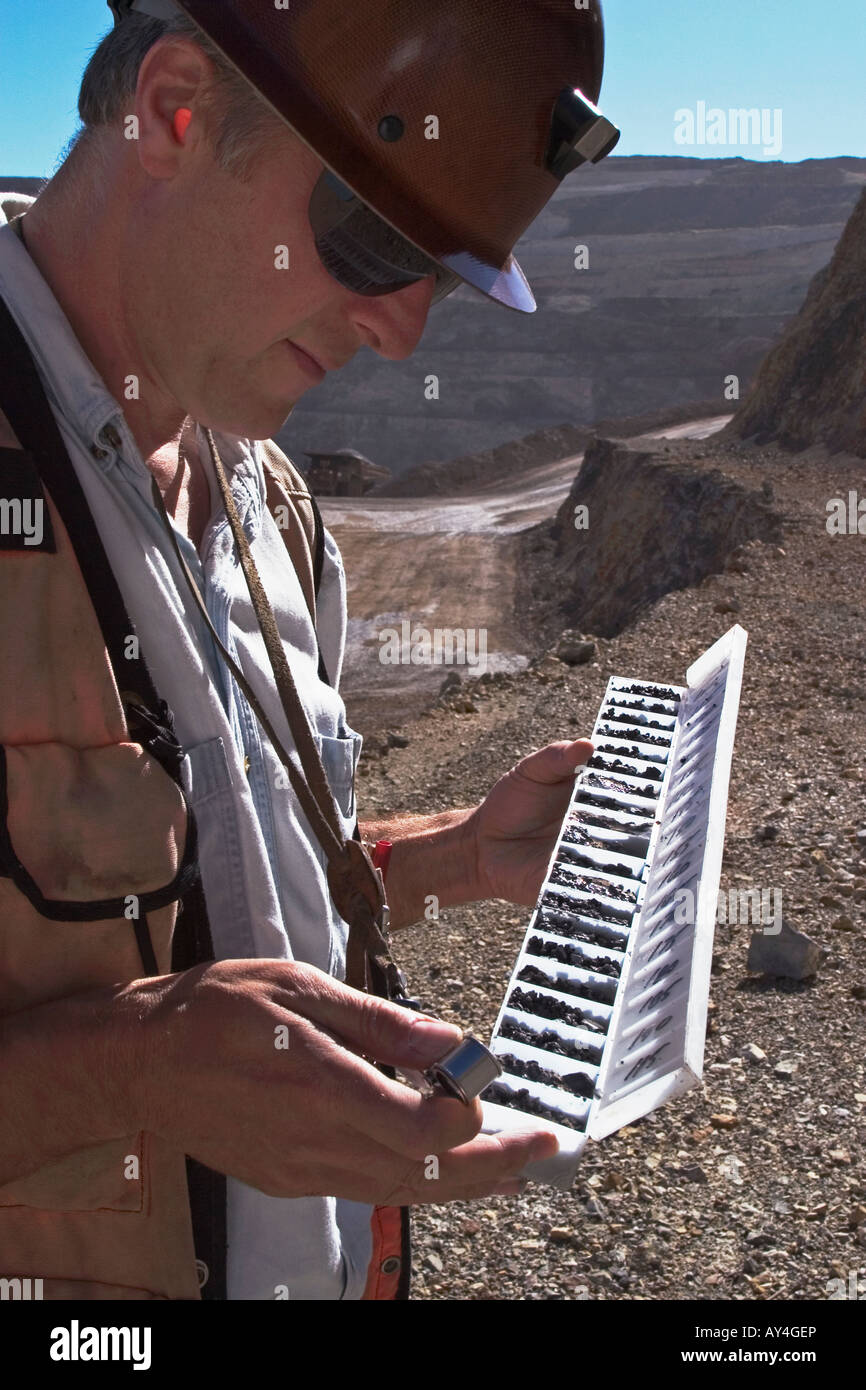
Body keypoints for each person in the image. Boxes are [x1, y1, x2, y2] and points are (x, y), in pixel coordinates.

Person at [0, 0, 618, 1300]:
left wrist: (442, 855)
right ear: (175, 110)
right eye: (372, 238)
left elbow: (218, 880)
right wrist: (128, 1068)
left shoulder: (271, 500)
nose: (401, 332)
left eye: (437, 272)